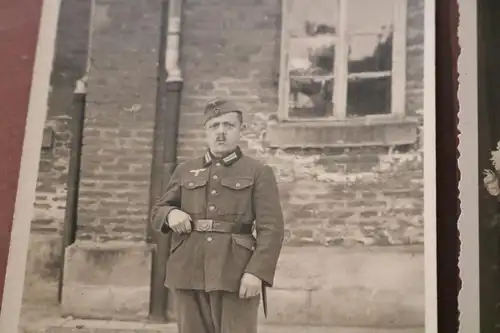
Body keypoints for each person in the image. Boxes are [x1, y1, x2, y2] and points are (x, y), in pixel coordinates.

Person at [151, 98, 285, 333]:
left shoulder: (258, 172)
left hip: (234, 272)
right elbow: (158, 211)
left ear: (240, 130)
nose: (220, 133)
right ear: (206, 131)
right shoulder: (185, 169)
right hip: (188, 270)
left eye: (228, 126)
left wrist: (256, 272)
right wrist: (170, 214)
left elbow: (271, 229)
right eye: (214, 126)